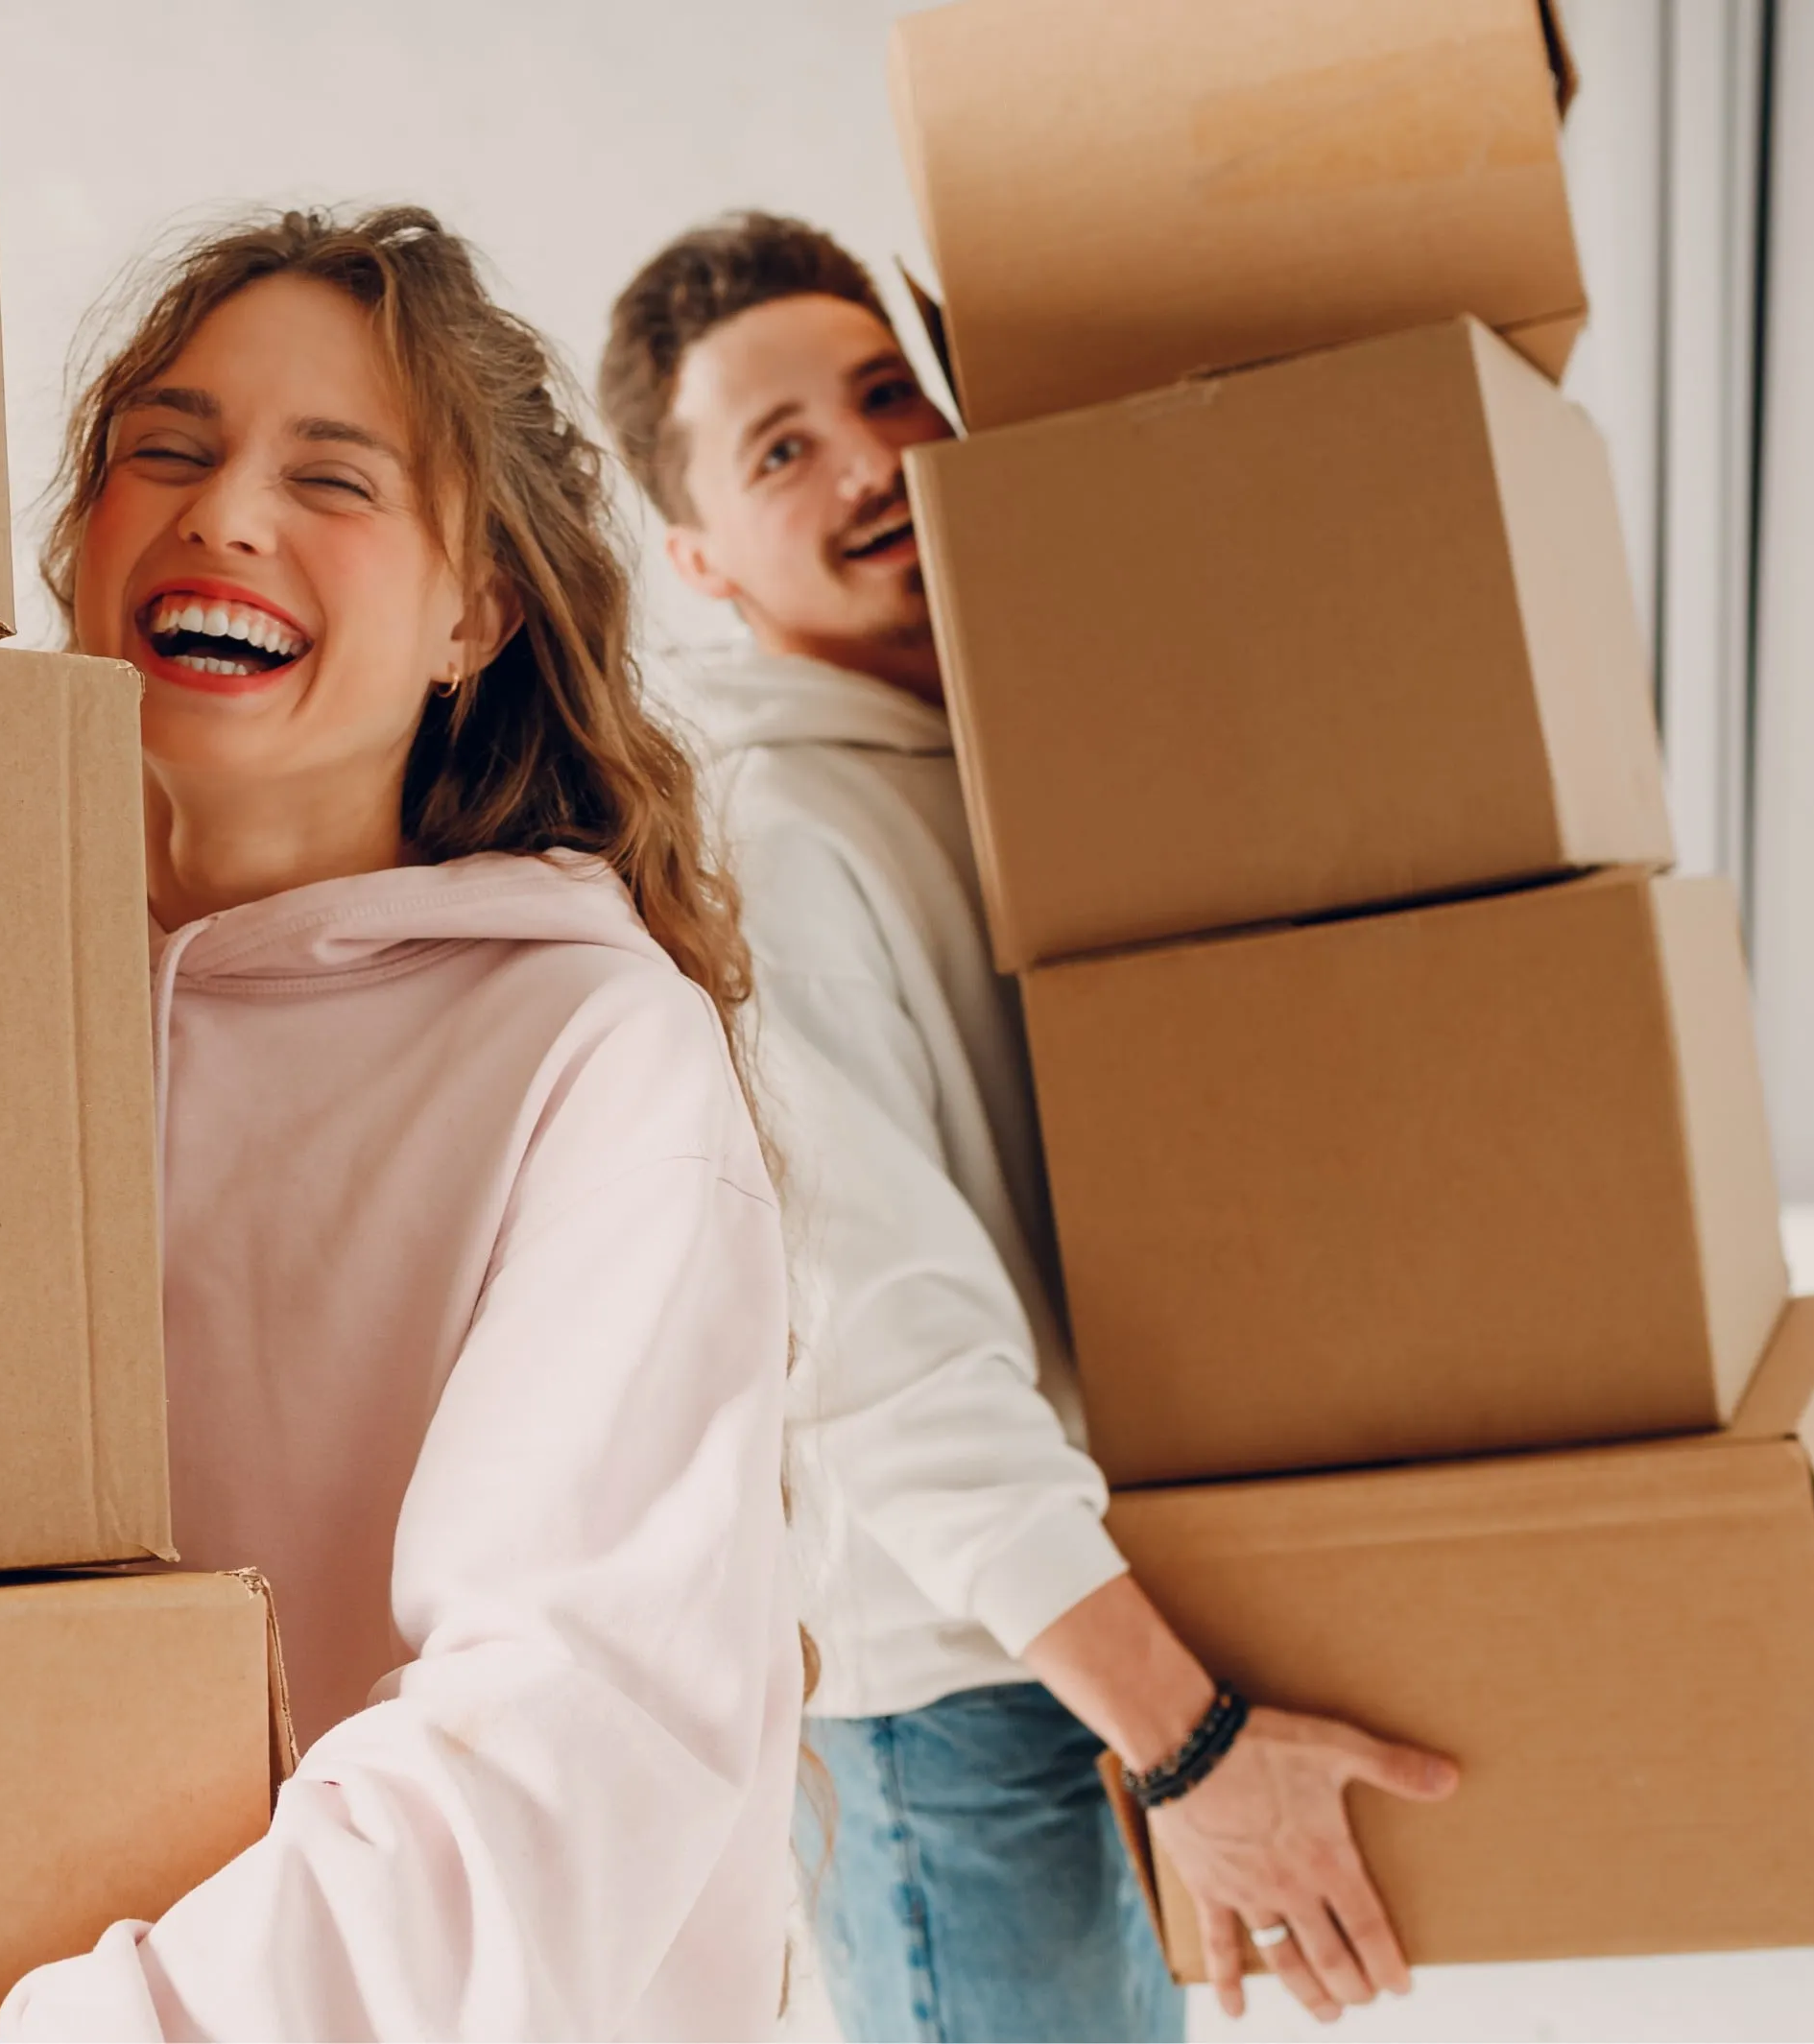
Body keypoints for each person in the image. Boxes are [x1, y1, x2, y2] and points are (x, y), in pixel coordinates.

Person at [596, 213, 1460, 2042]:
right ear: (699, 558)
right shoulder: (773, 840)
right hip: (955, 1697)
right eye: (781, 451)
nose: (868, 464)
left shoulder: (1045, 760)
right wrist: (1188, 1741)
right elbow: (881, 1357)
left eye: (888, 393)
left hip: (1101, 1619)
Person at [0, 206, 799, 2039]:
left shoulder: (592, 1058)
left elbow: (559, 1742)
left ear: (476, 613)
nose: (226, 515)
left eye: (332, 477)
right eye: (166, 453)